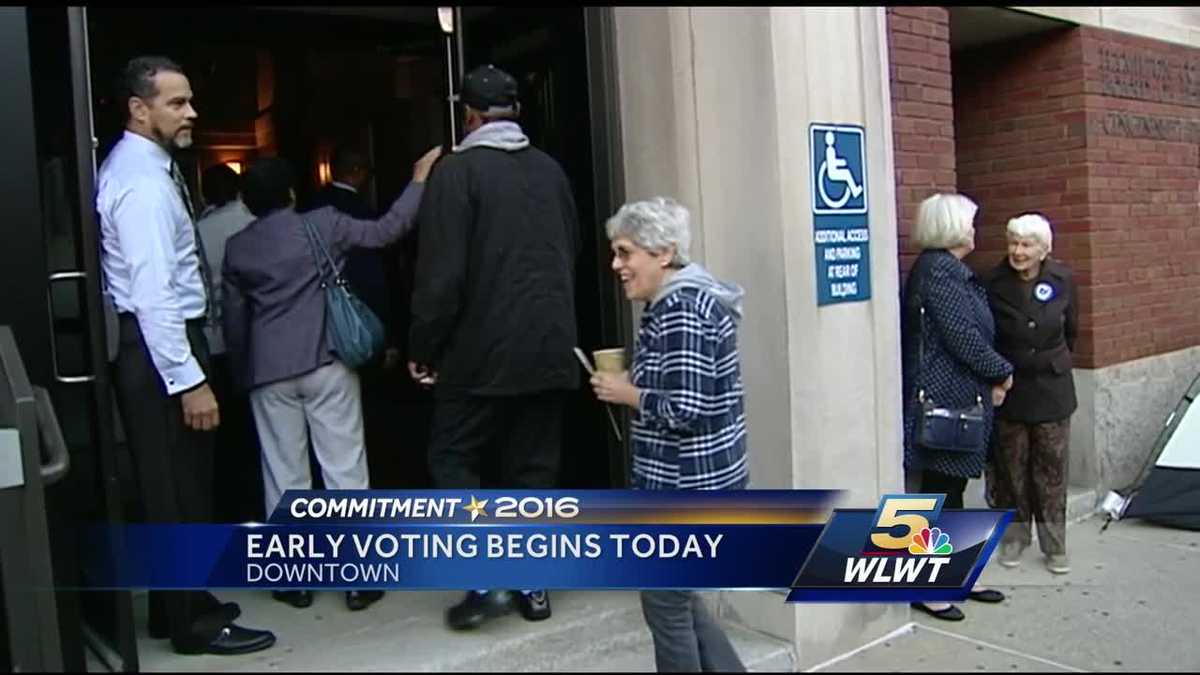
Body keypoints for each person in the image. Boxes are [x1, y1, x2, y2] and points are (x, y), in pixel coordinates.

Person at [96, 55, 275, 656]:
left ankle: (176, 609)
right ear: (138, 109)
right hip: (158, 346)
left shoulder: (149, 169)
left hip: (158, 343)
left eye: (189, 100)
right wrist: (189, 380)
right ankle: (193, 623)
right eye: (177, 103)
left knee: (175, 486)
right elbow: (153, 296)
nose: (191, 112)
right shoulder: (143, 183)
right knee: (179, 491)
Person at [222, 149, 440, 612]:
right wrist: (418, 178)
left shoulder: (238, 248)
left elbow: (234, 320)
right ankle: (358, 579)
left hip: (269, 372)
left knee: (284, 475)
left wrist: (242, 376)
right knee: (343, 469)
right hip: (326, 361)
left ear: (248, 203)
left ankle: (294, 581)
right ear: (292, 193)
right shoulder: (323, 223)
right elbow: (387, 231)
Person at [407, 64, 581, 630]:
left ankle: (483, 582)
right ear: (517, 113)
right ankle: (533, 585)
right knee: (533, 469)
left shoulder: (456, 174)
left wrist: (423, 347)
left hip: (478, 355)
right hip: (549, 346)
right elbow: (571, 249)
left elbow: (440, 277)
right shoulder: (551, 171)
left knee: (454, 460)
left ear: (470, 115)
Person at [590, 197, 748, 672]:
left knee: (665, 602)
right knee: (677, 599)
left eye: (625, 252)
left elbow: (686, 408)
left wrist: (627, 393)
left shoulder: (682, 309)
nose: (616, 265)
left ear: (663, 253)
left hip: (690, 491)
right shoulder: (677, 303)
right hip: (697, 488)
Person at [900, 192, 1014, 622]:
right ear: (950, 227)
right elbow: (963, 337)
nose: (974, 229)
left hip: (959, 395)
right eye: (969, 222)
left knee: (949, 492)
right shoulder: (940, 273)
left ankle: (957, 573)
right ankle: (927, 587)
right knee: (936, 494)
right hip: (943, 397)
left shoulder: (949, 271)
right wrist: (1001, 372)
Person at [982, 213, 1077, 575]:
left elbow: (1072, 330)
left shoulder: (1063, 279)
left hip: (1052, 390)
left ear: (1043, 249)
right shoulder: (993, 281)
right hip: (1011, 389)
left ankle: (1055, 545)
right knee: (1012, 472)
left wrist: (1053, 360)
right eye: (1013, 243)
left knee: (1051, 472)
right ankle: (1015, 539)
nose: (1018, 251)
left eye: (1026, 245)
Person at [195, 162, 262, 523]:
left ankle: (228, 503)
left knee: (225, 431)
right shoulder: (254, 225)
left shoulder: (200, 231)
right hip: (259, 339)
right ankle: (258, 500)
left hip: (216, 339)